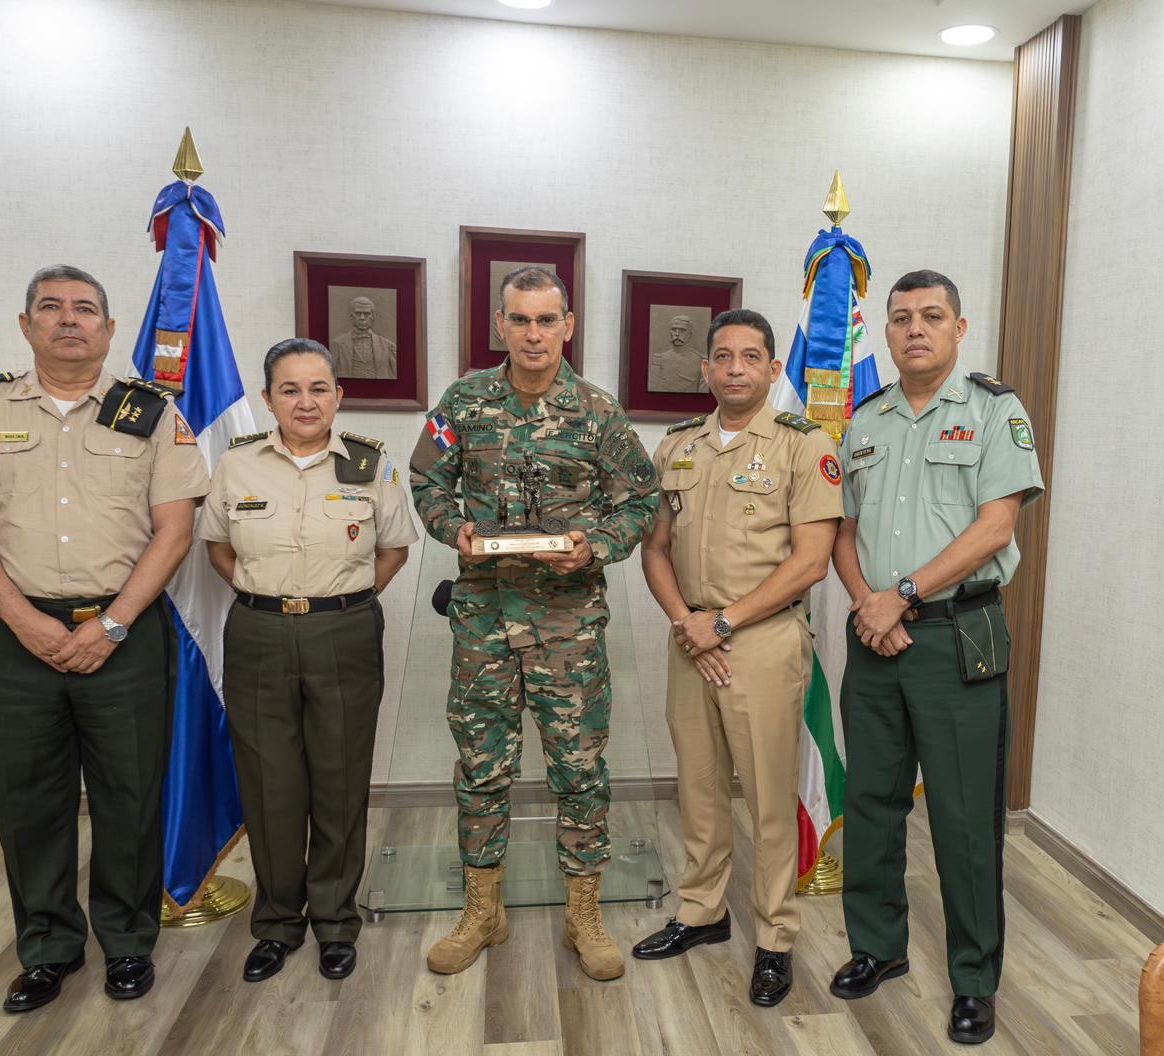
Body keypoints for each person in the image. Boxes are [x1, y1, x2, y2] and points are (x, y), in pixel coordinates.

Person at [0, 265, 210, 1012]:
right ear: (26, 325)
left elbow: (175, 531)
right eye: (52, 308)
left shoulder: (153, 411)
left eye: (85, 310)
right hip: (15, 635)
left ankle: (130, 943)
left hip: (127, 630)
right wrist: (28, 622)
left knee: (130, 795)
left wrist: (109, 624)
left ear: (107, 331)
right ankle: (46, 948)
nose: (68, 320)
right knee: (28, 798)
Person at [410, 266, 659, 981]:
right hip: (484, 622)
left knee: (579, 773)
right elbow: (426, 479)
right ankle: (483, 910)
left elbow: (640, 501)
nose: (533, 334)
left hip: (567, 626)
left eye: (546, 320)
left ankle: (584, 914)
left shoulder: (598, 412)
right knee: (482, 770)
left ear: (568, 325)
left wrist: (599, 545)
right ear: (500, 325)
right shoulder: (463, 401)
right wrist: (452, 528)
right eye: (519, 320)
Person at [829, 270, 1044, 1045]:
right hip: (875, 636)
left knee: (962, 816)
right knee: (874, 802)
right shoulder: (865, 421)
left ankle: (975, 978)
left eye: (931, 316)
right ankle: (877, 949)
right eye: (900, 318)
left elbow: (995, 528)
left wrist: (904, 596)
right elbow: (843, 534)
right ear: (884, 334)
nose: (914, 329)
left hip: (957, 636)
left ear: (959, 327)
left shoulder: (993, 410)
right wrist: (869, 603)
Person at [632, 309, 842, 1006]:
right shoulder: (678, 447)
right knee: (698, 788)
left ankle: (776, 938)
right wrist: (689, 622)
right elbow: (654, 548)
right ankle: (702, 912)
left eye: (751, 357)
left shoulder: (803, 447)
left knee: (769, 800)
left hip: (761, 640)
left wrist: (724, 621)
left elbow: (813, 561)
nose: (735, 369)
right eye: (722, 357)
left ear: (773, 369)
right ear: (706, 369)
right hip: (691, 637)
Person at [199, 338, 417, 984]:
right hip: (259, 633)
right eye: (289, 389)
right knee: (270, 786)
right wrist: (267, 596)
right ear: (268, 399)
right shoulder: (237, 467)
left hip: (344, 635)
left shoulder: (370, 465)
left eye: (319, 388)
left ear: (338, 397)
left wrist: (339, 603)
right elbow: (217, 546)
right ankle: (276, 923)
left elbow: (393, 552)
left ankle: (334, 921)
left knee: (340, 780)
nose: (305, 401)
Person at [330, 295, 398, 379]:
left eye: (367, 314)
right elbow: (330, 376)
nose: (362, 318)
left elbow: (398, 375)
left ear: (373, 316)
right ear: (351, 316)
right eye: (358, 313)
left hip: (382, 389)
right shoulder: (337, 344)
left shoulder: (388, 346)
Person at [647, 313, 708, 393]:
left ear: (689, 334)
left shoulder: (701, 361)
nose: (677, 334)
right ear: (670, 332)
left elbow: (702, 394)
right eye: (674, 329)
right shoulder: (659, 359)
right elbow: (653, 388)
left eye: (682, 330)